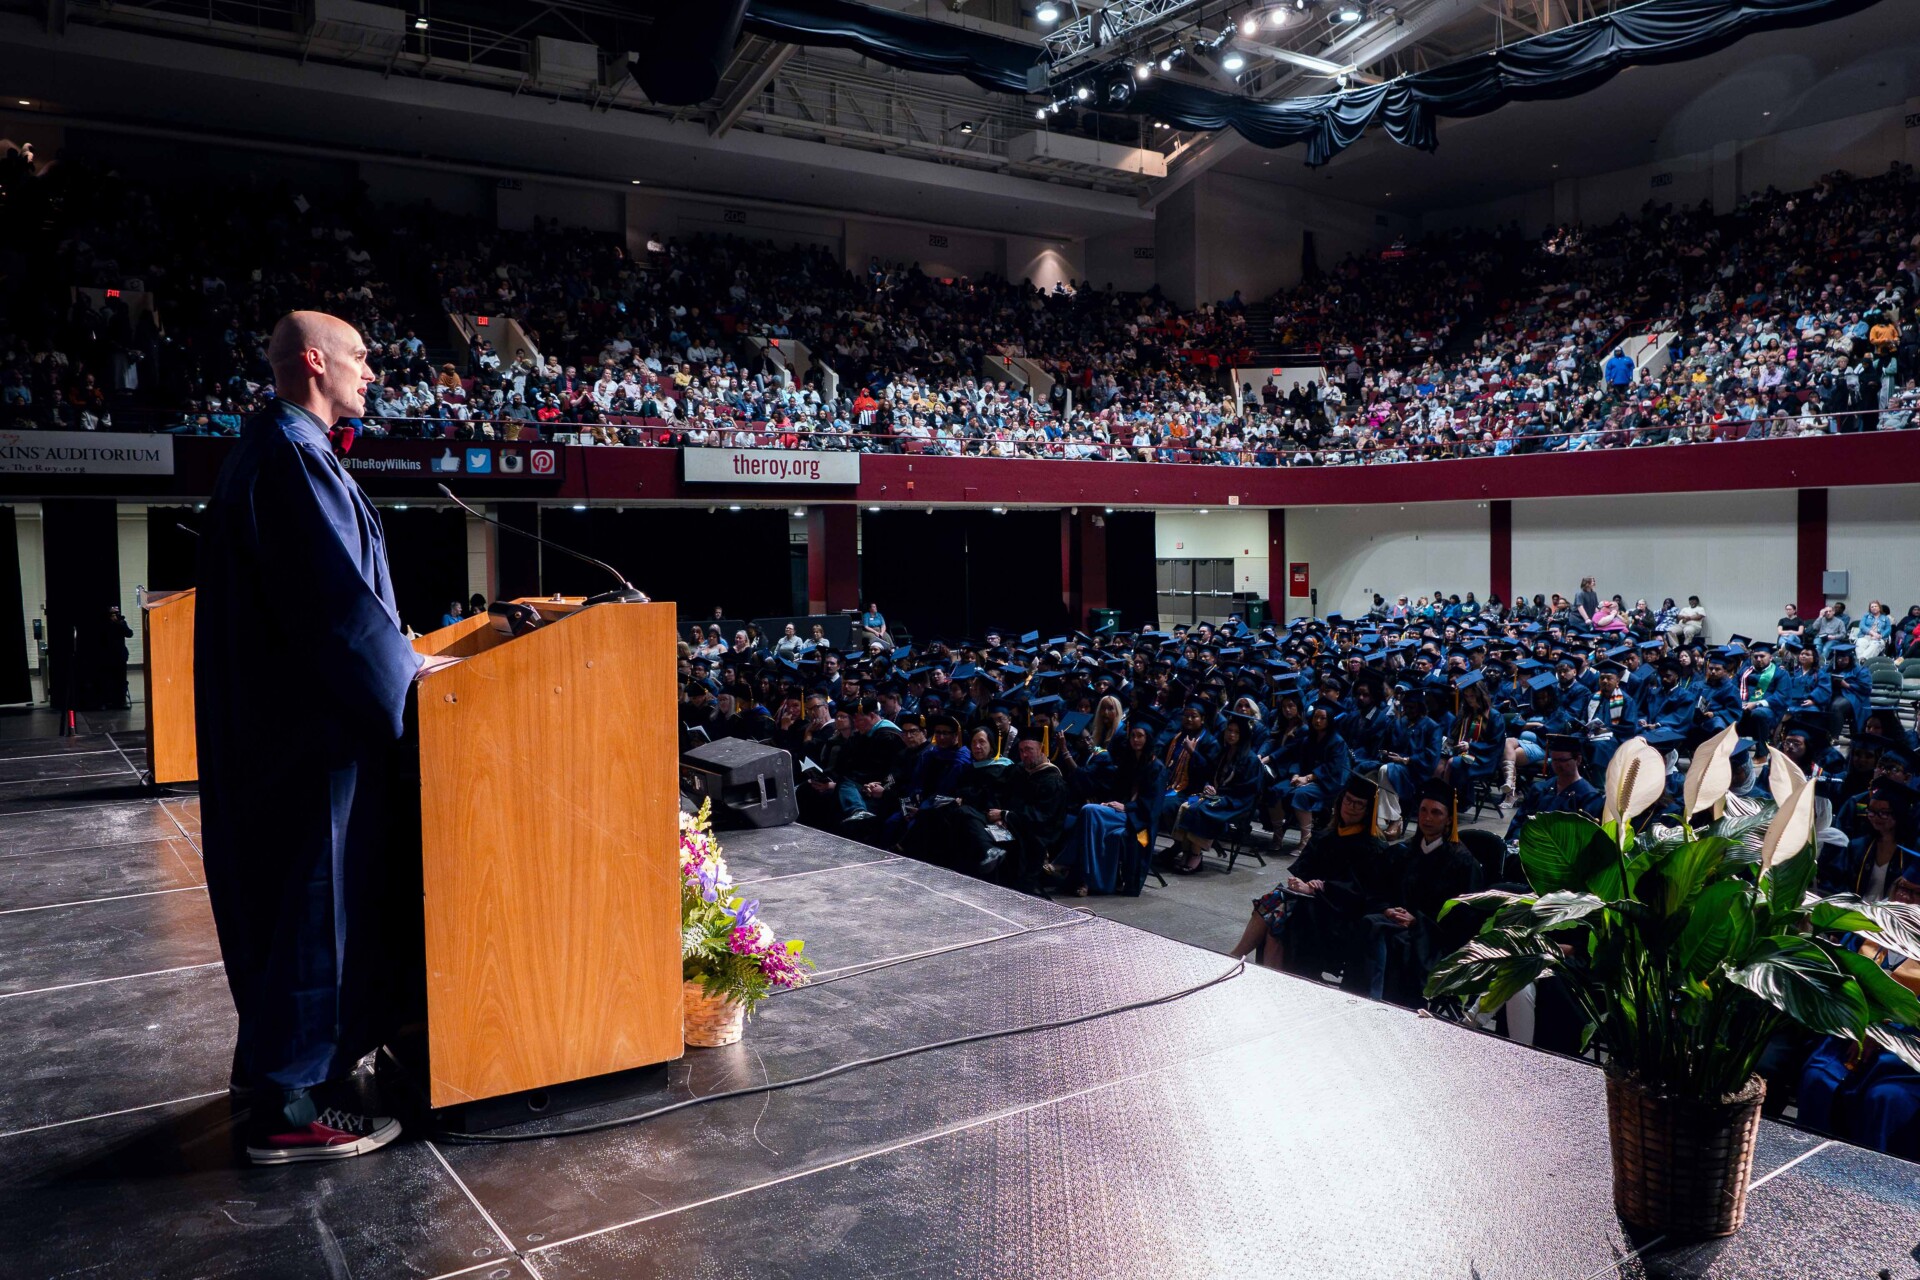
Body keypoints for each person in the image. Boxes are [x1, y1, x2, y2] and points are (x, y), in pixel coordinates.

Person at [197, 311, 438, 1165]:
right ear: (313, 363)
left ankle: (275, 1071)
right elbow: (339, 612)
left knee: (291, 905)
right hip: (307, 741)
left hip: (283, 730)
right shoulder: (294, 458)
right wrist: (409, 686)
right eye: (360, 359)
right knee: (312, 907)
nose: (371, 372)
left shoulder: (276, 449)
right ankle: (288, 1107)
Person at [1230, 775, 1392, 981]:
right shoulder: (1325, 835)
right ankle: (1262, 974)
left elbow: (1363, 893)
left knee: (1279, 918)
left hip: (1340, 916)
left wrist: (1322, 887)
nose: (1351, 807)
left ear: (1368, 810)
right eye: (1348, 800)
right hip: (1312, 905)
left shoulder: (1373, 847)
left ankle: (1241, 961)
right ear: (1340, 800)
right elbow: (1305, 871)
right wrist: (1301, 884)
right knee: (1277, 909)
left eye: (1359, 804)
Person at [1360, 780, 1481, 1006]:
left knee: (1395, 942)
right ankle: (1364, 1000)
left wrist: (1417, 921)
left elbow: (1464, 920)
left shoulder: (1462, 862)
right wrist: (1387, 909)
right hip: (1397, 925)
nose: (1427, 818)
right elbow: (1378, 888)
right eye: (1424, 810)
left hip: (1434, 939)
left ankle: (1385, 1006)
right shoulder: (1404, 852)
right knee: (1371, 924)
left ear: (1448, 820)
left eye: (1436, 812)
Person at [1062, 721, 1165, 896]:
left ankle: (1068, 866)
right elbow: (1115, 789)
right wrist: (1108, 802)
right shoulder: (1129, 762)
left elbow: (1152, 804)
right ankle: (1090, 881)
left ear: (1148, 739)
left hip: (1139, 819)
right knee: (1091, 819)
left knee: (1089, 811)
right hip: (1120, 812)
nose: (1135, 739)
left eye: (1140, 736)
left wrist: (1126, 807)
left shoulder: (1157, 768)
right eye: (1132, 735)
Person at [1505, 735, 1602, 838]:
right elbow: (1519, 822)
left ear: (1578, 759)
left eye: (1562, 760)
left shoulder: (1589, 797)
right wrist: (1516, 839)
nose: (1557, 765)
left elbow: (1582, 836)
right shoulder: (1540, 789)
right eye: (1554, 760)